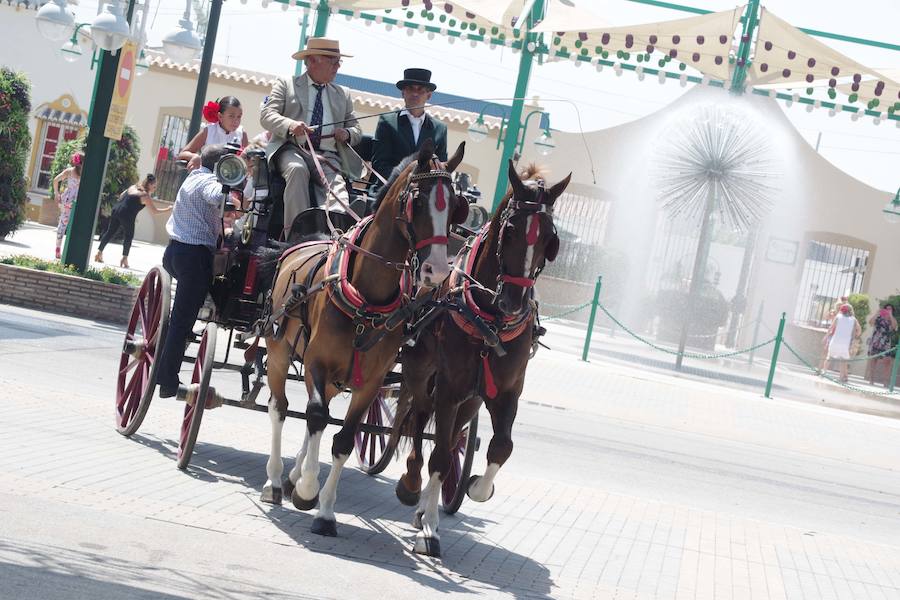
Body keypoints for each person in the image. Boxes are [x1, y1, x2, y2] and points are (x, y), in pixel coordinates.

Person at [155, 144, 242, 398]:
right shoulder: (208, 182)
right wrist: (233, 200)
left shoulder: (192, 177)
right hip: (194, 258)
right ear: (221, 167)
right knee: (182, 321)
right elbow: (217, 194)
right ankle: (167, 379)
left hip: (175, 253)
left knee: (184, 315)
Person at [259, 37, 362, 237]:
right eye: (333, 61)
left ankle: (336, 239)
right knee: (297, 171)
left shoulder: (343, 93)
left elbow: (356, 128)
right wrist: (290, 125)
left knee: (338, 191)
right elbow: (267, 115)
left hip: (328, 158)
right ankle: (297, 238)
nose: (337, 67)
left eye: (339, 62)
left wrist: (347, 133)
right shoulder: (286, 84)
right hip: (293, 150)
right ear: (313, 60)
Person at [372, 68, 448, 188]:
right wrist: (405, 183)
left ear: (429, 95)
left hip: (422, 196)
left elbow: (440, 168)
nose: (415, 93)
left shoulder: (440, 129)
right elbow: (380, 165)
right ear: (403, 93)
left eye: (420, 89)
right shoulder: (387, 122)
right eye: (410, 88)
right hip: (389, 191)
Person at [94, 174, 172, 268]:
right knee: (128, 236)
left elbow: (121, 195)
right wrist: (168, 209)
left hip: (117, 209)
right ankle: (124, 259)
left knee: (110, 232)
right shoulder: (145, 196)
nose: (155, 189)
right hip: (127, 214)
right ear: (150, 185)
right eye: (154, 186)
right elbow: (154, 211)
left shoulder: (133, 187)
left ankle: (99, 253)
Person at [178, 96, 250, 171]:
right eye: (231, 116)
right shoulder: (208, 131)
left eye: (239, 116)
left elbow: (248, 159)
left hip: (232, 179)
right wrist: (194, 157)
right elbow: (183, 154)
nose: (236, 121)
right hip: (207, 177)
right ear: (220, 116)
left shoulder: (242, 134)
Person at [52, 151, 84, 259]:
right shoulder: (83, 173)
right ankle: (62, 250)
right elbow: (56, 180)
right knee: (70, 224)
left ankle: (58, 249)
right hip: (75, 200)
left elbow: (55, 180)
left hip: (68, 199)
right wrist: (56, 194)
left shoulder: (70, 171)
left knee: (63, 224)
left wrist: (57, 194)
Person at [824, 303, 861, 383]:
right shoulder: (853, 319)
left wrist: (826, 337)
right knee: (843, 361)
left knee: (829, 357)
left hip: (835, 341)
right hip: (845, 343)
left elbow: (831, 327)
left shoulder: (838, 317)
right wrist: (856, 336)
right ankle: (841, 377)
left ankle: (824, 372)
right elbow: (859, 330)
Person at [866, 303, 898, 385]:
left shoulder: (892, 320)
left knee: (887, 361)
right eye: (886, 308)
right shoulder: (879, 318)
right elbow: (870, 323)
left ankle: (885, 382)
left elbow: (895, 327)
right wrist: (877, 313)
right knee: (873, 360)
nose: (888, 310)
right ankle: (871, 380)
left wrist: (890, 315)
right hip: (876, 341)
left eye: (890, 309)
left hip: (886, 342)